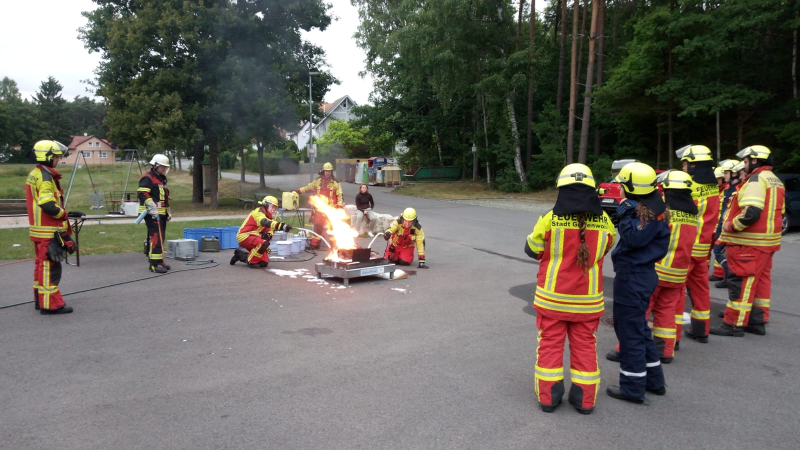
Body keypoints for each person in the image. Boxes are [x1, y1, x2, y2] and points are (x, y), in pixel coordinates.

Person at [525, 164, 616, 414]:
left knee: (550, 347)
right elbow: (607, 246)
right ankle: (585, 401)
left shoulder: (549, 218)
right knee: (585, 347)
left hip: (552, 301)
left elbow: (532, 249)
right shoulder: (605, 222)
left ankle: (549, 399)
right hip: (588, 304)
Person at [606, 169, 698, 363]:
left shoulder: (659, 211)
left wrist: (627, 217)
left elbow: (638, 237)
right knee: (667, 312)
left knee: (638, 316)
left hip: (657, 268)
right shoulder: (692, 214)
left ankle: (627, 350)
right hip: (680, 271)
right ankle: (665, 350)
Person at [606, 162, 670, 405]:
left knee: (629, 333)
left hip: (634, 277)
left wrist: (623, 212)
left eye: (622, 185)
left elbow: (633, 238)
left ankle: (632, 388)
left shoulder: (646, 213)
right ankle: (654, 380)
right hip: (640, 276)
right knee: (640, 329)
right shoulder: (650, 207)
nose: (619, 190)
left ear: (631, 188)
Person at [712, 145, 784, 337]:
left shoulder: (756, 179)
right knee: (759, 282)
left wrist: (731, 226)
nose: (743, 166)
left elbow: (751, 212)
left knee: (741, 282)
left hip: (750, 242)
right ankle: (756, 320)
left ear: (754, 160)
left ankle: (733, 324)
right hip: (767, 242)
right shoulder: (775, 180)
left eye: (745, 161)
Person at [26, 140, 83, 315]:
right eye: (57, 157)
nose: (58, 160)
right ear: (48, 157)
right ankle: (51, 304)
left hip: (39, 230)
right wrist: (65, 215)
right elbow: (48, 205)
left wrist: (68, 213)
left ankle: (40, 299)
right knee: (49, 268)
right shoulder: (45, 177)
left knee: (41, 266)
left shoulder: (36, 173)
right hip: (47, 231)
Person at [674, 144, 720, 345]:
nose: (684, 168)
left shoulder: (689, 187)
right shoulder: (713, 186)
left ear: (693, 165)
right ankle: (701, 330)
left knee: (676, 292)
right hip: (703, 250)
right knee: (701, 290)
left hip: (686, 246)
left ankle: (671, 337)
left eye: (685, 164)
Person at [231, 196, 293, 268]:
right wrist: (281, 226)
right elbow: (265, 222)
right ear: (266, 204)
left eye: (274, 207)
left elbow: (270, 228)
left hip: (254, 237)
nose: (273, 209)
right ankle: (251, 262)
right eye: (272, 206)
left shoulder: (269, 216)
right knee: (263, 244)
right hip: (244, 235)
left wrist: (269, 235)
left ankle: (239, 255)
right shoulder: (258, 212)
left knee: (264, 263)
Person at [295, 162, 343, 249]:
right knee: (317, 226)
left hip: (331, 209)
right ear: (323, 171)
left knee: (332, 227)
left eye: (329, 171)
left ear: (331, 172)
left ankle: (334, 246)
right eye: (326, 171)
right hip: (320, 209)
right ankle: (315, 244)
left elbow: (340, 195)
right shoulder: (318, 181)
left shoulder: (336, 183)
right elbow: (309, 187)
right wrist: (298, 191)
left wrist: (339, 207)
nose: (327, 173)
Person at [138, 154, 172, 273]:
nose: (164, 169)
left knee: (161, 237)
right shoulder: (148, 177)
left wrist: (168, 211)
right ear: (155, 165)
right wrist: (151, 207)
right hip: (151, 214)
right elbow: (142, 193)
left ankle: (160, 261)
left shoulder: (161, 178)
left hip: (161, 213)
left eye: (165, 167)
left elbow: (164, 197)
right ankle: (154, 264)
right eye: (163, 167)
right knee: (156, 238)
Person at [710, 159, 740, 287]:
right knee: (722, 252)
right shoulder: (729, 188)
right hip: (723, 224)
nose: (724, 175)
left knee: (719, 250)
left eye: (726, 173)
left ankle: (732, 275)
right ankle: (728, 277)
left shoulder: (737, 189)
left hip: (728, 225)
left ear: (734, 173)